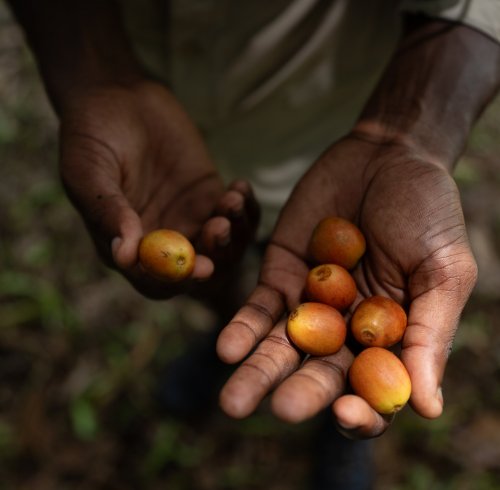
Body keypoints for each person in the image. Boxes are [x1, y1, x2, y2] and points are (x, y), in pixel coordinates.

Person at [5, 0, 500, 486]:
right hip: (156, 132)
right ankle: (221, 337)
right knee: (213, 268)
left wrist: (405, 138)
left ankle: (339, 431)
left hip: (330, 142)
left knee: (272, 285)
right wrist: (94, 74)